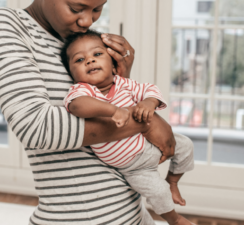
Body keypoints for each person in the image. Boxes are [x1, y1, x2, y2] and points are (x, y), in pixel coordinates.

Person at [0, 0, 176, 224]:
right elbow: (37, 127)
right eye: (76, 9)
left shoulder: (83, 42)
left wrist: (120, 77)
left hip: (134, 213)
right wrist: (147, 122)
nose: (87, 22)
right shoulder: (9, 26)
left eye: (98, 8)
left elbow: (113, 120)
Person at [62, 30, 194, 225]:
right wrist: (113, 110)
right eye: (80, 60)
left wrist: (149, 103)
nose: (89, 60)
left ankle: (173, 181)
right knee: (158, 192)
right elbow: (77, 106)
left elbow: (151, 90)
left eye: (97, 54)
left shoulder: (124, 84)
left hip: (151, 145)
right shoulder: (82, 91)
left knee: (186, 145)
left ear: (114, 66)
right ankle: (174, 219)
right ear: (73, 76)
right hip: (132, 167)